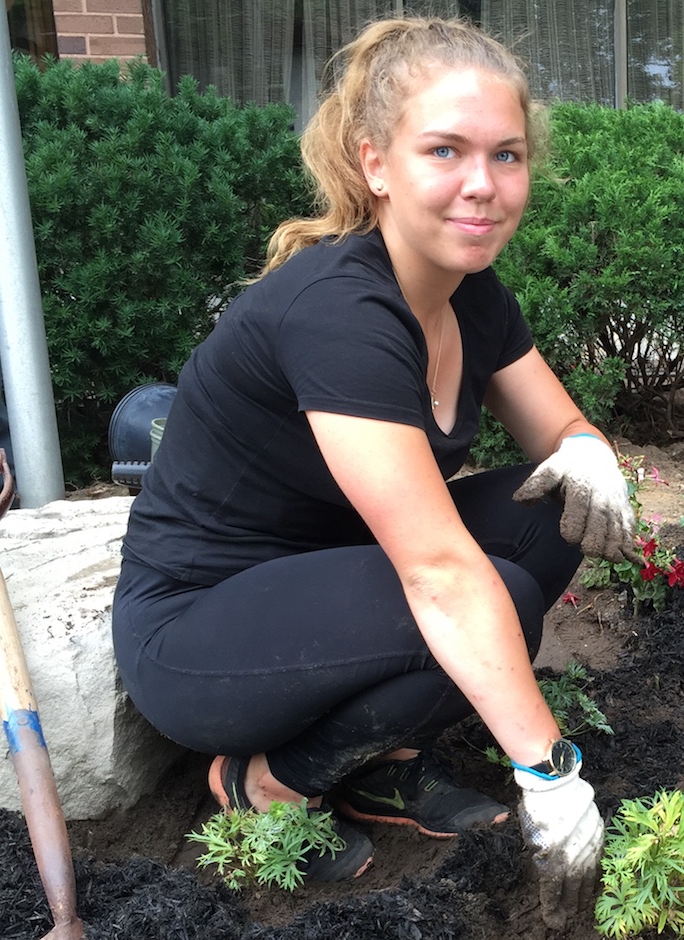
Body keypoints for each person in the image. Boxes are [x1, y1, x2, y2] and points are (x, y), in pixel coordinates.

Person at [111, 16, 637, 928]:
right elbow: (437, 571)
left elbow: (561, 435)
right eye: (445, 149)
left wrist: (591, 453)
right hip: (203, 631)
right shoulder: (338, 309)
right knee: (490, 596)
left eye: (506, 155)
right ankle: (267, 780)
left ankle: (380, 763)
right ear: (375, 165)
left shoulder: (473, 295)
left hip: (335, 594)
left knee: (548, 517)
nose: (483, 185)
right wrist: (550, 772)